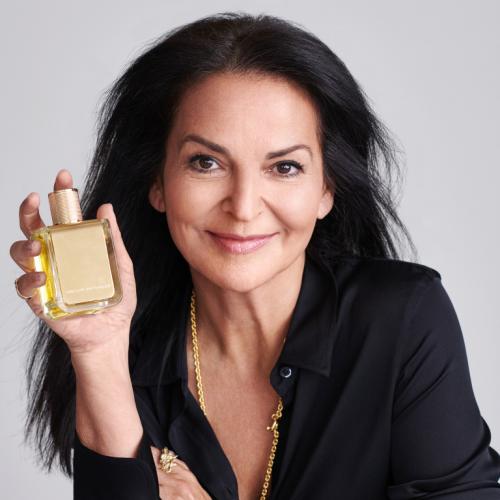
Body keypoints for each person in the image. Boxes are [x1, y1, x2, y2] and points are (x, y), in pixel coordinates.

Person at [10, 11, 500, 500]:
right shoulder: (129, 349)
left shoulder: (401, 319)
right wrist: (98, 354)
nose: (244, 207)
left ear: (327, 188)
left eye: (284, 167)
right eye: (207, 163)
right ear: (157, 181)